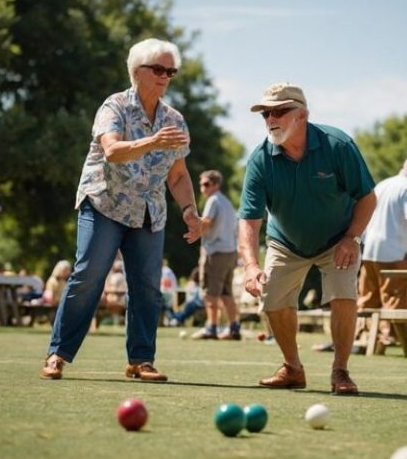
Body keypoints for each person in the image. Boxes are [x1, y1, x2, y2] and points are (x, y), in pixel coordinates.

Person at [40, 38, 201, 381]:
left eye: (170, 71)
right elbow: (112, 151)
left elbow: (179, 174)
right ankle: (58, 354)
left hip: (148, 212)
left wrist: (189, 209)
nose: (165, 76)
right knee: (88, 277)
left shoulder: (175, 119)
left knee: (147, 287)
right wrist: (152, 142)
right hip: (104, 204)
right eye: (158, 69)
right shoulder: (113, 107)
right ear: (136, 71)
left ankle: (140, 361)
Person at [239, 82, 377, 395]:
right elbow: (249, 220)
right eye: (266, 113)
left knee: (343, 295)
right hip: (285, 241)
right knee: (273, 299)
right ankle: (293, 368)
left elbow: (368, 198)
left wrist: (351, 238)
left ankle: (340, 370)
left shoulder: (337, 145)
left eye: (280, 111)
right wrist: (249, 265)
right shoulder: (259, 160)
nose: (271, 118)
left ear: (302, 115)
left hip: (338, 238)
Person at [358, 155, 407, 349]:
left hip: (369, 250)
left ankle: (361, 338)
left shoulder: (383, 185)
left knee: (368, 299)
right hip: (393, 252)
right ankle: (392, 339)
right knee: (395, 301)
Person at [193, 170, 240, 340]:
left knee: (210, 292)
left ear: (216, 185)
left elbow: (207, 222)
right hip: (230, 251)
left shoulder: (213, 200)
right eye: (201, 185)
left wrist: (194, 229)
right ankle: (234, 328)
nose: (202, 188)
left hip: (215, 251)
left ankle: (211, 328)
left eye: (206, 184)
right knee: (227, 293)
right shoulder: (227, 202)